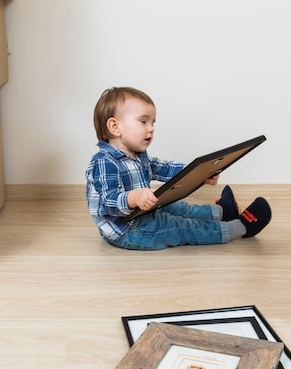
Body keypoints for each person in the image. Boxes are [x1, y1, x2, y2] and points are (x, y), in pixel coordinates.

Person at [85, 86, 272, 251]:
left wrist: (199, 174)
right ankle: (239, 228)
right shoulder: (104, 162)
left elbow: (163, 168)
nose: (151, 129)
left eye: (153, 123)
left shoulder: (137, 154)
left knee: (178, 207)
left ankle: (222, 213)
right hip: (127, 230)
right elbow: (108, 202)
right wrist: (135, 197)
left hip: (141, 215)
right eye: (143, 121)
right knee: (179, 227)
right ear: (115, 127)